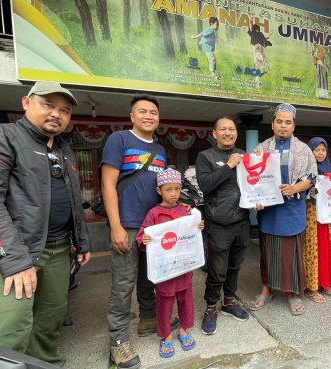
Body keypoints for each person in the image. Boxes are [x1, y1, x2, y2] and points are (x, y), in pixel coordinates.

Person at [0, 81, 90, 366]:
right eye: (48, 105)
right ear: (26, 103)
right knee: (8, 328)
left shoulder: (64, 150)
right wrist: (15, 260)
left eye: (64, 110)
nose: (57, 114)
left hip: (57, 250)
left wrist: (82, 240)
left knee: (49, 322)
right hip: (2, 255)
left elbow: (72, 201)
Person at [101, 94, 175, 369]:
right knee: (122, 285)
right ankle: (118, 342)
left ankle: (148, 319)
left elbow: (164, 192)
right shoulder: (118, 140)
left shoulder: (161, 150)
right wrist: (116, 226)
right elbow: (108, 184)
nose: (148, 116)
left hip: (153, 226)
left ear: (158, 118)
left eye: (153, 112)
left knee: (149, 277)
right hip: (128, 224)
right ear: (132, 116)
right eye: (142, 111)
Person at [249, 103, 317, 316]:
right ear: (272, 124)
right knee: (267, 251)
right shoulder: (261, 149)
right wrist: (256, 197)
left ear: (293, 126)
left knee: (290, 253)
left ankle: (292, 292)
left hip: (292, 208)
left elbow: (311, 177)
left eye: (288, 122)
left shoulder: (303, 149)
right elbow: (252, 177)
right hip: (269, 209)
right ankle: (266, 289)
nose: (283, 126)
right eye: (279, 121)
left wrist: (294, 187)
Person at [136, 168, 204, 359]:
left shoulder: (185, 210)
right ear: (159, 191)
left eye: (177, 189)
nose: (174, 194)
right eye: (168, 189)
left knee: (185, 299)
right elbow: (142, 236)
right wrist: (145, 240)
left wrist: (198, 226)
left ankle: (183, 330)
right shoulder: (154, 213)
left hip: (183, 267)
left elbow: (192, 232)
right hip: (165, 270)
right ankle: (166, 336)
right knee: (164, 301)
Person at [195, 117, 252, 335]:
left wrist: (260, 198)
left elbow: (255, 183)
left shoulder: (246, 156)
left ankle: (228, 302)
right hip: (218, 224)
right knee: (217, 270)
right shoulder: (205, 156)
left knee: (235, 267)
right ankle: (211, 307)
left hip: (242, 221)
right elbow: (205, 185)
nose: (227, 132)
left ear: (237, 133)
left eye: (232, 129)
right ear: (214, 133)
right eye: (223, 129)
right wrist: (228, 166)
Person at [303, 137, 331, 303]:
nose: (320, 153)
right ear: (310, 151)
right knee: (314, 248)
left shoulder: (330, 171)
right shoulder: (304, 170)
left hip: (329, 215)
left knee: (328, 247)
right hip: (312, 214)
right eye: (316, 149)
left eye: (323, 150)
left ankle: (327, 284)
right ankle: (312, 288)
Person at [248, 15, 271, 87]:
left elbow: (265, 38)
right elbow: (251, 28)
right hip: (258, 54)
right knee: (261, 68)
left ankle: (257, 81)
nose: (258, 30)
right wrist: (251, 20)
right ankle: (257, 82)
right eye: (257, 29)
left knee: (263, 69)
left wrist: (269, 35)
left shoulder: (259, 34)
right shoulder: (254, 33)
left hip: (260, 54)